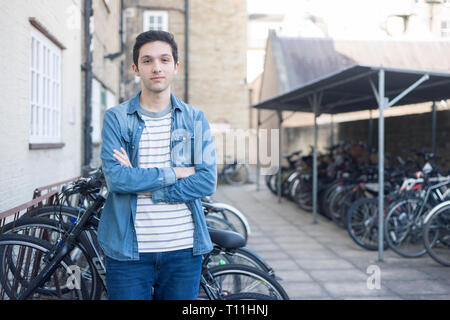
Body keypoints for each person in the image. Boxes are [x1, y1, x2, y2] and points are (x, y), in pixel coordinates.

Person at [99, 30, 217, 300]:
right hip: (128, 252)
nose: (156, 67)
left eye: (164, 60)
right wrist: (175, 172)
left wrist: (150, 189)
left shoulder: (194, 118)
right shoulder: (117, 119)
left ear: (176, 66)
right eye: (148, 60)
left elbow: (206, 180)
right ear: (135, 68)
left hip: (184, 250)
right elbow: (117, 180)